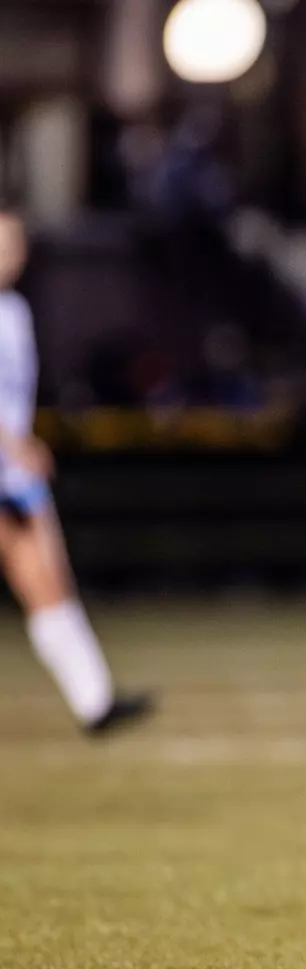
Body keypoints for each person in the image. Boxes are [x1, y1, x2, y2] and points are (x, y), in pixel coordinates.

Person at [0, 211, 153, 734]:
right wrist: (14, 444)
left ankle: (96, 702)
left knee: (48, 582)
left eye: (15, 242)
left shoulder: (14, 310)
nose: (10, 253)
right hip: (8, 465)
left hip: (13, 473)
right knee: (39, 577)